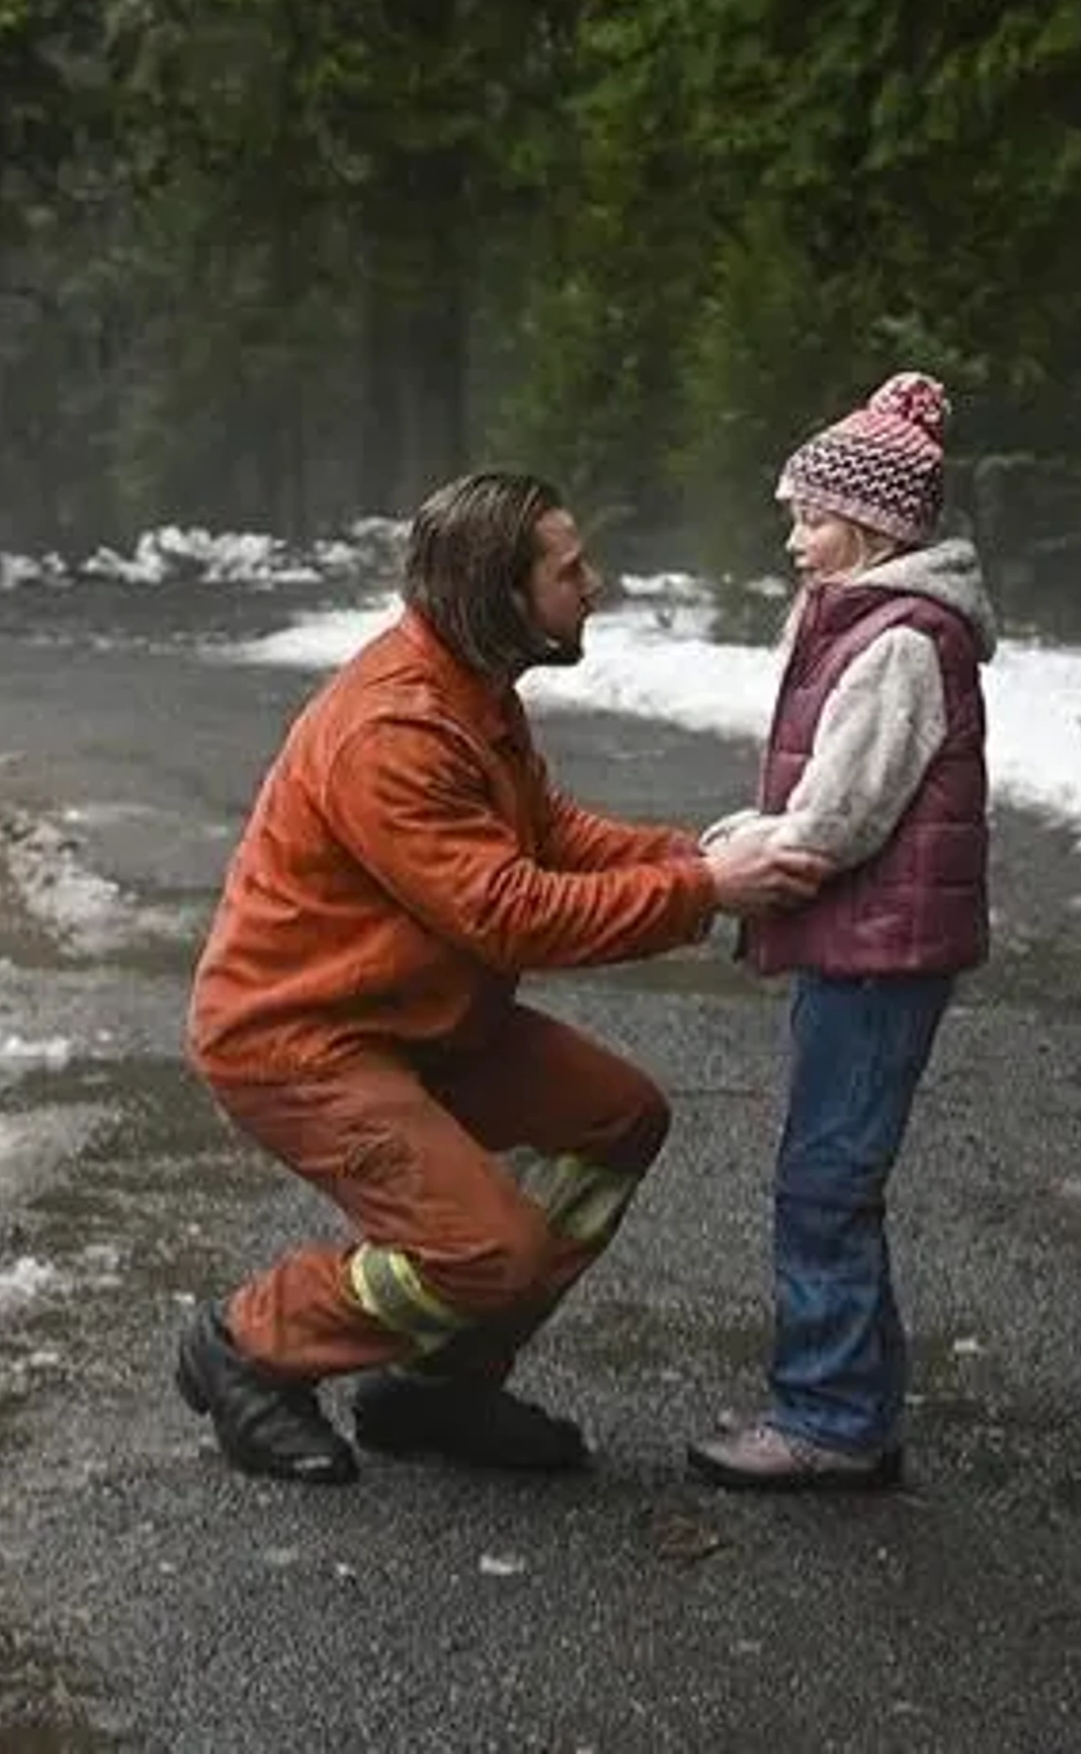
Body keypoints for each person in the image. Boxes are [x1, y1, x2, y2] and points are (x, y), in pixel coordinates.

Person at [177, 469, 835, 1486]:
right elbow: (508, 911)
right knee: (486, 1252)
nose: (595, 586)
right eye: (569, 571)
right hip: (302, 1040)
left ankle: (439, 1384)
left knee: (619, 1118)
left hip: (418, 1020)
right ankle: (249, 1348)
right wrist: (705, 889)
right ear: (499, 592)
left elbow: (548, 832)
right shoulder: (393, 728)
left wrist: (693, 858)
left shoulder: (468, 685)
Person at [685, 372, 996, 1494]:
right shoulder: (868, 622)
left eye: (810, 520)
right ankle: (848, 1401)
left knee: (825, 1180)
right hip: (870, 945)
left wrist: (744, 847)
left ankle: (830, 1416)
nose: (794, 541)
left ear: (870, 526)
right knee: (831, 1172)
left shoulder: (901, 643)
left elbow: (846, 814)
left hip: (882, 954)